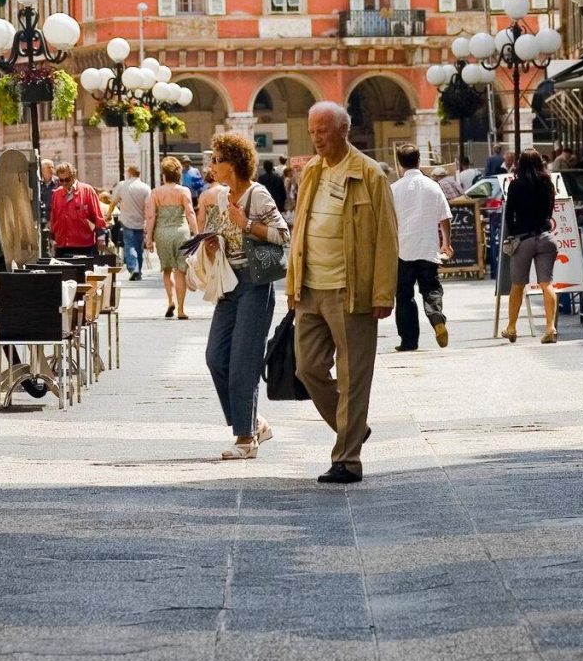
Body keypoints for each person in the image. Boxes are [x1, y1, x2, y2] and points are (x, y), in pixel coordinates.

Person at [285, 100, 397, 485]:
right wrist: (292, 282)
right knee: (308, 367)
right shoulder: (311, 171)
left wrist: (384, 292)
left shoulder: (368, 174)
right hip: (310, 287)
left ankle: (347, 459)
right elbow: (300, 227)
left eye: (323, 131)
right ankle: (352, 427)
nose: (316, 138)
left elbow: (386, 235)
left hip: (352, 289)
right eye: (312, 131)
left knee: (353, 377)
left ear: (343, 131)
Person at [201, 133, 288, 460]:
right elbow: (213, 233)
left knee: (243, 362)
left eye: (217, 160)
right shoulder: (220, 196)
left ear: (234, 163)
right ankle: (253, 422)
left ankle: (245, 439)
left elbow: (283, 235)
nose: (212, 166)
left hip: (255, 284)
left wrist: (248, 223)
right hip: (228, 283)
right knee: (215, 356)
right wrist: (210, 244)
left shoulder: (258, 194)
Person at [388, 145, 453, 351]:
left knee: (404, 296)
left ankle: (409, 341)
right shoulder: (433, 186)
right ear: (418, 160)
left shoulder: (394, 189)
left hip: (403, 249)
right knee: (431, 288)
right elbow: (445, 217)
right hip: (427, 248)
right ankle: (436, 317)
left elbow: (388, 222)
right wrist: (446, 242)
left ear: (399, 164)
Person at [498, 150, 564, 344]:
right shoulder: (547, 183)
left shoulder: (516, 185)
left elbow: (509, 214)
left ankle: (511, 327)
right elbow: (550, 210)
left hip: (524, 239)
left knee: (517, 285)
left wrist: (513, 234)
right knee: (547, 284)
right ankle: (550, 327)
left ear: (520, 164)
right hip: (546, 237)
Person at [149, 159, 197, 318]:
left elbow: (151, 217)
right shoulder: (184, 191)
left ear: (164, 175)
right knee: (180, 271)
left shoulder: (156, 192)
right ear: (178, 174)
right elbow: (190, 213)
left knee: (167, 270)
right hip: (181, 233)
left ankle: (171, 301)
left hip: (162, 233)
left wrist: (149, 238)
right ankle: (182, 310)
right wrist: (196, 234)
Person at [47, 163, 105, 254]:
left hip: (84, 245)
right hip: (62, 245)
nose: (64, 183)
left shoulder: (87, 190)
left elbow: (97, 215)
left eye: (67, 180)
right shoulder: (56, 194)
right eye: (61, 180)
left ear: (73, 177)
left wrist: (101, 236)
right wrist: (53, 239)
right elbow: (54, 218)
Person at [111, 166, 152, 277]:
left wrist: (108, 215)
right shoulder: (145, 187)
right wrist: (149, 222)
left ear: (129, 173)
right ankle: (138, 271)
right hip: (140, 221)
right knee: (139, 246)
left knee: (129, 245)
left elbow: (113, 202)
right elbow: (149, 207)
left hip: (126, 221)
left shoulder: (122, 185)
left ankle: (133, 267)